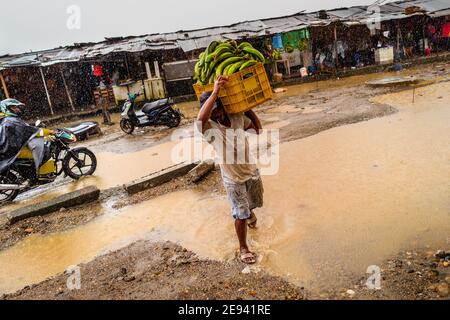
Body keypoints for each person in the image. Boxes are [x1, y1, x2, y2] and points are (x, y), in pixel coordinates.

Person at [196, 76, 264, 265]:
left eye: (218, 109)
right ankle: (243, 247)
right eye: (212, 112)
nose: (216, 115)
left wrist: (246, 107)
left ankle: (249, 213)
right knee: (240, 213)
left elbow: (257, 129)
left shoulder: (237, 118)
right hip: (232, 178)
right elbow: (201, 119)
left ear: (223, 107)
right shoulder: (209, 128)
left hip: (251, 171)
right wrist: (216, 91)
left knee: (253, 204)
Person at [0, 99, 54, 181]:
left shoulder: (8, 119)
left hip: (9, 149)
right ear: (7, 109)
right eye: (15, 107)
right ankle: (40, 176)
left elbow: (26, 130)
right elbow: (30, 131)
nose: (18, 109)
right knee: (44, 151)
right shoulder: (12, 121)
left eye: (17, 107)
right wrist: (49, 131)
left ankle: (32, 175)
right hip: (14, 150)